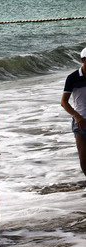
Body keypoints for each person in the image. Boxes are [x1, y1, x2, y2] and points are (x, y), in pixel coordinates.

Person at [61, 47, 86, 177]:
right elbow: (64, 102)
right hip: (81, 123)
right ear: (82, 60)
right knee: (84, 160)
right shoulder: (73, 78)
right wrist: (77, 116)